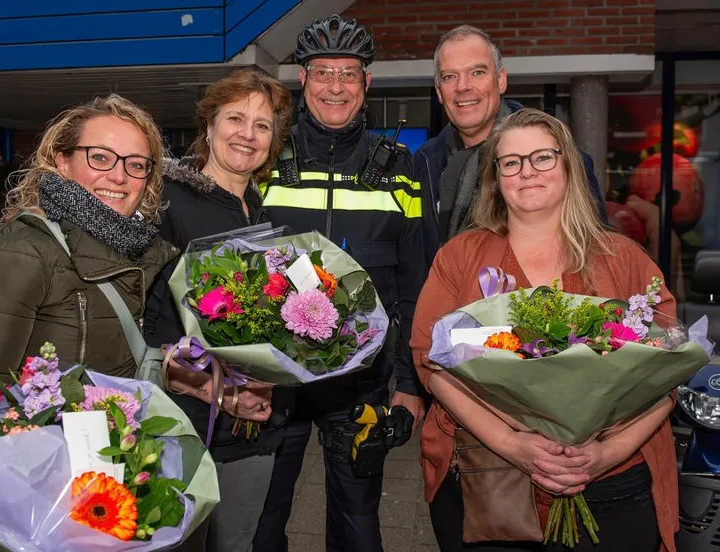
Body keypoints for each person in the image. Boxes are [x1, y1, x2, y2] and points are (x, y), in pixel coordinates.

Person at [410, 108, 678, 552]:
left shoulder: (625, 260)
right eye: (511, 162)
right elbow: (431, 361)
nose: (527, 172)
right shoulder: (459, 258)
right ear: (495, 178)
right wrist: (511, 442)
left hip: (613, 481)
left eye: (543, 157)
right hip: (491, 480)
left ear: (568, 166)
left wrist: (603, 455)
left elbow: (665, 375)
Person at [253, 14, 427, 552]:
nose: (335, 86)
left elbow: (418, 281)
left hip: (362, 378)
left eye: (348, 74)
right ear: (302, 79)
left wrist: (411, 385)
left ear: (366, 83)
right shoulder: (263, 161)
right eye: (322, 72)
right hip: (272, 378)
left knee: (359, 529)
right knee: (260, 523)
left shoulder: (401, 168)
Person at [143, 68, 294, 552]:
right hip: (186, 421)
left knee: (237, 542)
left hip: (254, 426)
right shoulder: (166, 203)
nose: (247, 134)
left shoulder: (259, 210)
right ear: (208, 126)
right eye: (235, 118)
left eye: (263, 125)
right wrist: (217, 390)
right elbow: (143, 322)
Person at [0, 94, 177, 396]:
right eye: (100, 157)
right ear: (62, 161)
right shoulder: (17, 252)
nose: (119, 176)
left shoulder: (143, 252)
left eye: (136, 164)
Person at [415, 25, 608, 265]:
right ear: (439, 91)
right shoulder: (422, 162)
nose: (462, 86)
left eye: (477, 72)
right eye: (449, 76)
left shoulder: (556, 159)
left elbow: (595, 252)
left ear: (501, 80)